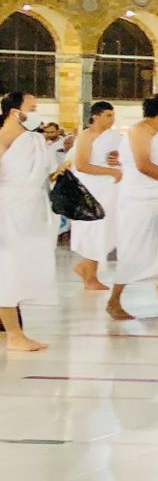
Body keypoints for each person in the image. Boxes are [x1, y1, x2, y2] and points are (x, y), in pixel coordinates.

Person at [106, 92, 158, 323]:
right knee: (134, 252)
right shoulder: (139, 130)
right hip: (141, 202)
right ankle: (114, 301)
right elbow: (143, 164)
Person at [0, 90, 57, 352]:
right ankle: (14, 334)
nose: (36, 113)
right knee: (8, 271)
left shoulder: (32, 139)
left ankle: (12, 329)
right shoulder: (3, 138)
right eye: (32, 108)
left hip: (31, 210)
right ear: (15, 111)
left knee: (21, 269)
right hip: (10, 210)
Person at [68, 101, 122, 292]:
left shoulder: (115, 136)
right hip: (92, 189)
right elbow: (82, 165)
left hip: (110, 191)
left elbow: (123, 157)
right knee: (94, 230)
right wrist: (111, 172)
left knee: (106, 230)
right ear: (95, 116)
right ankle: (90, 276)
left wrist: (119, 160)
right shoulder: (86, 135)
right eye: (108, 115)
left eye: (113, 115)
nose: (112, 119)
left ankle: (87, 269)